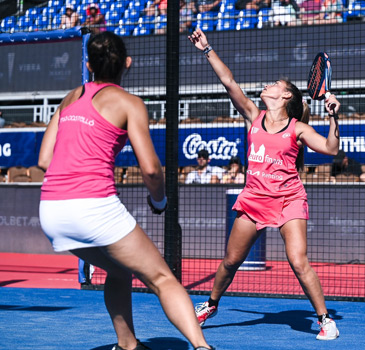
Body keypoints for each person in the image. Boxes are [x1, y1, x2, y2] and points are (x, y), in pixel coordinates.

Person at [37, 32, 212, 350]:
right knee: (161, 277)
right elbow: (150, 169)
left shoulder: (70, 97)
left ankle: (128, 345)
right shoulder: (130, 103)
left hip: (51, 211)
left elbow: (44, 159)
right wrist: (159, 201)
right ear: (127, 64)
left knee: (118, 271)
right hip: (93, 207)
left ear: (88, 65)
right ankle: (202, 347)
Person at [188, 28, 341, 340]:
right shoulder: (253, 116)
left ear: (285, 96)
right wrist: (207, 49)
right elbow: (229, 82)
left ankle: (325, 320)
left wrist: (334, 118)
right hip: (254, 200)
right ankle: (211, 305)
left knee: (298, 261)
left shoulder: (297, 128)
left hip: (289, 200)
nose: (268, 85)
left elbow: (331, 149)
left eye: (275, 85)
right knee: (230, 262)